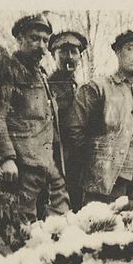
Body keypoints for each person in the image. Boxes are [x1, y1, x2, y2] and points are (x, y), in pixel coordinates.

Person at [68, 30, 133, 205]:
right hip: (104, 184)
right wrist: (97, 161)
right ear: (118, 52)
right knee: (102, 228)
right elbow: (75, 131)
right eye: (130, 48)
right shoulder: (98, 88)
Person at [0, 14, 69, 225]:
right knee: (23, 229)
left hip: (48, 166)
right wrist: (7, 157)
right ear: (19, 39)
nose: (41, 45)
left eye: (45, 40)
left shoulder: (41, 74)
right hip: (22, 167)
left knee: (59, 226)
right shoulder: (8, 71)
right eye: (34, 38)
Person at [47, 30, 87, 211]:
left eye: (74, 52)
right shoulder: (47, 87)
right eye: (63, 52)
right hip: (55, 157)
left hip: (78, 160)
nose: (69, 57)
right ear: (54, 55)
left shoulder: (81, 88)